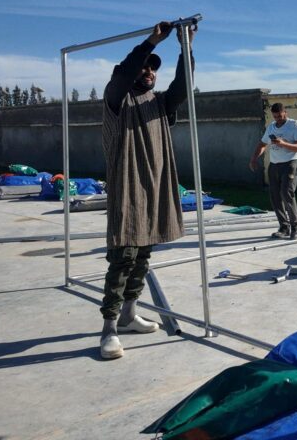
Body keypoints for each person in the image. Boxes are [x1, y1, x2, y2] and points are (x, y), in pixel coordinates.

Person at [99, 20, 195, 360]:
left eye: (153, 68)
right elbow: (123, 73)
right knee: (123, 258)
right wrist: (152, 42)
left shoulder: (160, 103)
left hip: (154, 188)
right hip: (128, 188)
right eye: (145, 67)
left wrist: (186, 47)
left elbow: (183, 86)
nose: (149, 72)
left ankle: (129, 315)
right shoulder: (116, 99)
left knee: (142, 257)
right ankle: (109, 328)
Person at [249, 103, 297, 239]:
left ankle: (295, 226)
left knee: (286, 193)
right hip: (274, 165)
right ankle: (284, 227)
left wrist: (283, 144)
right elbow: (262, 144)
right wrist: (254, 159)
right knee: (275, 196)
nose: (278, 119)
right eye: (275, 117)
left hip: (290, 163)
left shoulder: (294, 125)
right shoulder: (271, 127)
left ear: (285, 112)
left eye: (280, 116)